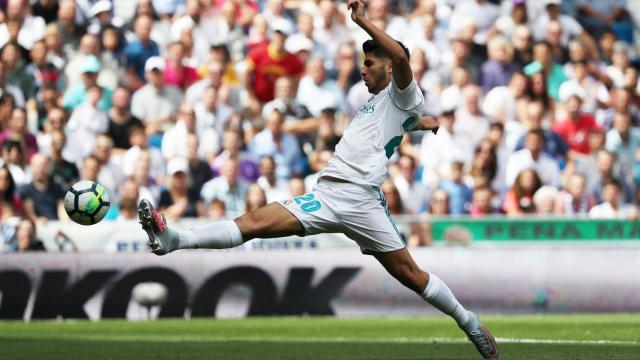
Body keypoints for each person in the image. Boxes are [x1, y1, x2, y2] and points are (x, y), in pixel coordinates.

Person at [137, 3, 498, 359]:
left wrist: (363, 21)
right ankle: (173, 240)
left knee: (412, 275)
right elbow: (400, 121)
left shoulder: (403, 91)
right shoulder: (386, 105)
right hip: (326, 195)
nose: (362, 70)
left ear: (389, 66)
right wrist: (421, 123)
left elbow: (403, 63)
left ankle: (470, 324)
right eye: (362, 63)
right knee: (254, 222)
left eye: (369, 63)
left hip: (362, 201)